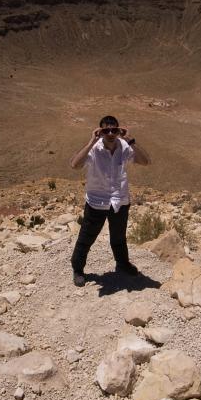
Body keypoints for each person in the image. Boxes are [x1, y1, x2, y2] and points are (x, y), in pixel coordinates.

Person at [68, 115, 151, 287]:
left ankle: (122, 263)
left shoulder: (125, 147)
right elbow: (74, 165)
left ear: (119, 130)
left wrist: (131, 140)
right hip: (97, 201)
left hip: (119, 201)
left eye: (115, 130)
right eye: (106, 130)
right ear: (100, 132)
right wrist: (91, 141)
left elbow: (146, 161)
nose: (111, 133)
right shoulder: (94, 149)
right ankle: (77, 269)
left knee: (119, 237)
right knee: (86, 237)